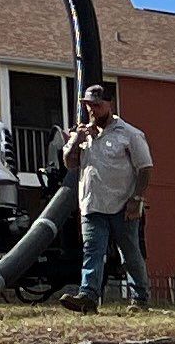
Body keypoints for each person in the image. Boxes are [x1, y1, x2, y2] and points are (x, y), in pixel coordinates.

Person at [60, 81, 151, 314]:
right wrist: (76, 140)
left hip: (123, 204)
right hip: (92, 204)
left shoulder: (129, 134)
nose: (92, 110)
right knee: (92, 251)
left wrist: (136, 199)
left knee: (129, 253)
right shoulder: (82, 134)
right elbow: (69, 163)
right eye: (88, 105)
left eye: (97, 105)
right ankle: (88, 297)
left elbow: (145, 168)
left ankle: (140, 298)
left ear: (109, 104)